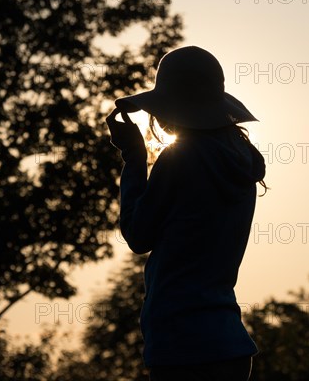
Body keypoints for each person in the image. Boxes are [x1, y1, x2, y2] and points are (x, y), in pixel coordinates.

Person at [106, 46, 267, 381]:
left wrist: (135, 159)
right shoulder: (243, 166)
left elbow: (138, 235)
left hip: (181, 343)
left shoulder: (180, 159)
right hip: (229, 344)